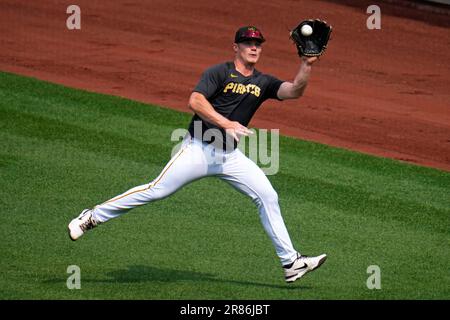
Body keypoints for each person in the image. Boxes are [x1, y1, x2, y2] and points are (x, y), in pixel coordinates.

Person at [68, 26, 327, 283]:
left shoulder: (263, 82)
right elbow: (195, 101)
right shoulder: (219, 72)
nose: (253, 47)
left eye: (258, 43)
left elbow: (294, 91)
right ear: (235, 47)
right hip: (198, 150)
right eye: (247, 43)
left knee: (268, 196)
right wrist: (227, 124)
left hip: (230, 157)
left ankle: (291, 263)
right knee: (156, 190)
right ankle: (91, 217)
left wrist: (306, 64)